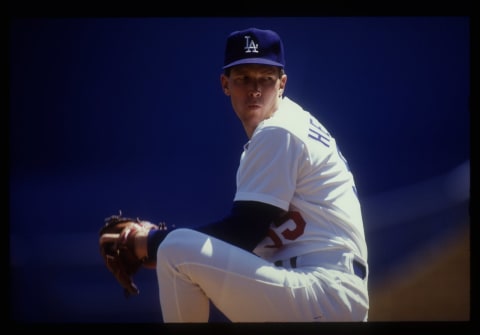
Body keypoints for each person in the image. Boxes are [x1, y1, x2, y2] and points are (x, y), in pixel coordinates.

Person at [117, 27, 369, 322]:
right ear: (225, 84)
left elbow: (242, 233)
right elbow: (248, 241)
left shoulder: (279, 131)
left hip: (321, 287)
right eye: (243, 78)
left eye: (266, 78)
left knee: (175, 252)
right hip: (317, 290)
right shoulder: (281, 129)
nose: (255, 89)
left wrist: (148, 242)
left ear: (282, 84)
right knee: (179, 254)